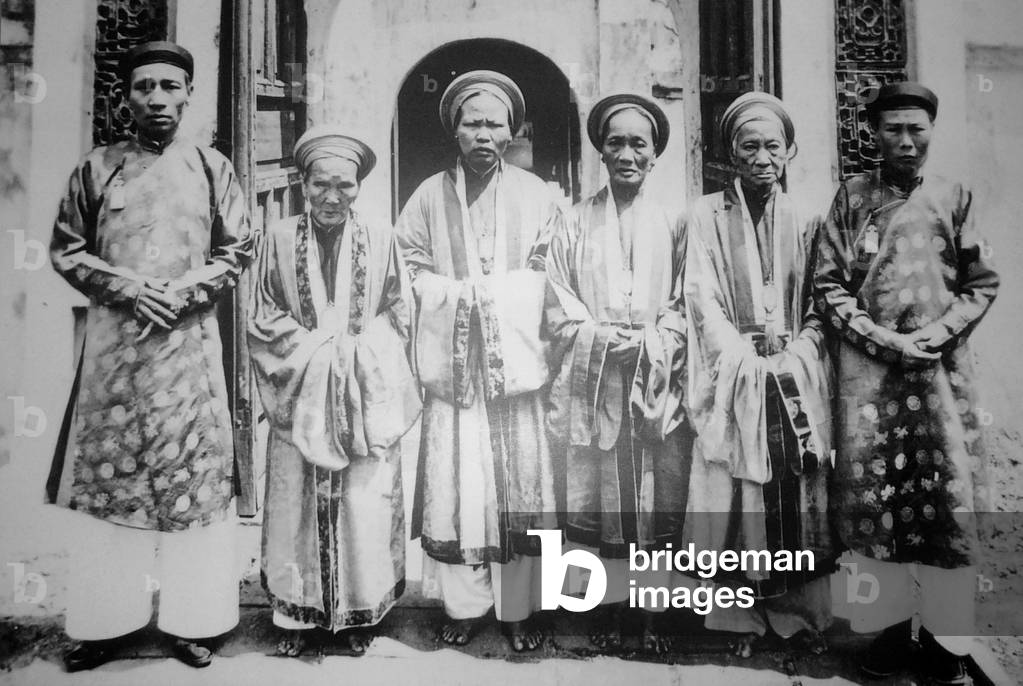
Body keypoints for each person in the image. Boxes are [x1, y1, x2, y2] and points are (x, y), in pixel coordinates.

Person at [46, 41, 252, 671]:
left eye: (170, 86)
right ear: (125, 97)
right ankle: (107, 624)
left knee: (193, 481)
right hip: (116, 354)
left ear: (188, 94)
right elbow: (67, 250)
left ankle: (196, 621)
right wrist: (131, 290)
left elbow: (238, 248)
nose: (157, 99)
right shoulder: (96, 168)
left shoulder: (212, 166)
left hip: (189, 350)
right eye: (145, 88)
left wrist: (187, 290)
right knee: (113, 484)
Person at [813, 82, 998, 685]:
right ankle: (892, 634)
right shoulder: (852, 197)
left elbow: (983, 282)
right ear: (873, 133)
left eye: (916, 128)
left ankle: (947, 642)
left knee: (945, 501)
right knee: (881, 502)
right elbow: (829, 286)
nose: (906, 140)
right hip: (873, 383)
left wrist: (940, 333)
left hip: (942, 379)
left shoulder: (956, 195)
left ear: (931, 131)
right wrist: (885, 340)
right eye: (893, 129)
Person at [394, 70, 561, 651]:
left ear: (512, 131)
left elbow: (550, 268)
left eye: (495, 123)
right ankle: (465, 606)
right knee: (459, 483)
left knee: (520, 484)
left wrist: (497, 298)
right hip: (457, 371)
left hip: (515, 371)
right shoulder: (427, 196)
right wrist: (459, 298)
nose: (484, 134)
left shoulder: (537, 195)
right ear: (454, 132)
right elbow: (406, 267)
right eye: (473, 123)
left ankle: (519, 608)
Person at [249, 127, 420, 657]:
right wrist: (319, 354)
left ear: (358, 188)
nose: (332, 197)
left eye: (344, 186)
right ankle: (296, 616)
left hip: (364, 396)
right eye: (320, 185)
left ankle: (360, 613)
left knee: (365, 501)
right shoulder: (275, 237)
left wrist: (359, 354)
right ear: (302, 184)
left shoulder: (383, 238)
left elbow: (400, 313)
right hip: (300, 392)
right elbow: (263, 317)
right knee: (296, 500)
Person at [681, 91, 835, 657]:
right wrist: (745, 364)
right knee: (735, 494)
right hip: (734, 375)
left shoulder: (807, 216)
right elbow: (700, 297)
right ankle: (738, 622)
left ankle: (797, 619)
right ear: (730, 153)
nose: (763, 156)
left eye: (774, 145)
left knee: (794, 492)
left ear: (789, 151)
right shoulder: (704, 215)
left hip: (792, 370)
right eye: (750, 145)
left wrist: (795, 356)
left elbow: (822, 300)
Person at [544, 94, 688, 653]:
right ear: (600, 151)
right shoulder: (574, 220)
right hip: (595, 380)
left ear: (654, 155)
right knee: (597, 495)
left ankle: (652, 615)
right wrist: (603, 339)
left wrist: (652, 342)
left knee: (655, 496)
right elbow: (558, 300)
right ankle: (603, 609)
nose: (627, 154)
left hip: (656, 383)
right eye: (616, 143)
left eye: (639, 144)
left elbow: (686, 300)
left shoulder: (676, 223)